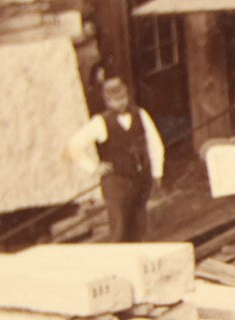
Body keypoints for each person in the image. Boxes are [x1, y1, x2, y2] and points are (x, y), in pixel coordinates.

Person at [66, 77, 166, 243]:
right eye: (115, 100)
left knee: (139, 226)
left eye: (123, 98)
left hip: (140, 179)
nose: (120, 103)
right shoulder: (100, 122)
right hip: (116, 183)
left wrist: (157, 173)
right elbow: (73, 146)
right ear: (107, 101)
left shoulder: (140, 115)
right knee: (119, 229)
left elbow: (156, 144)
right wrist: (93, 168)